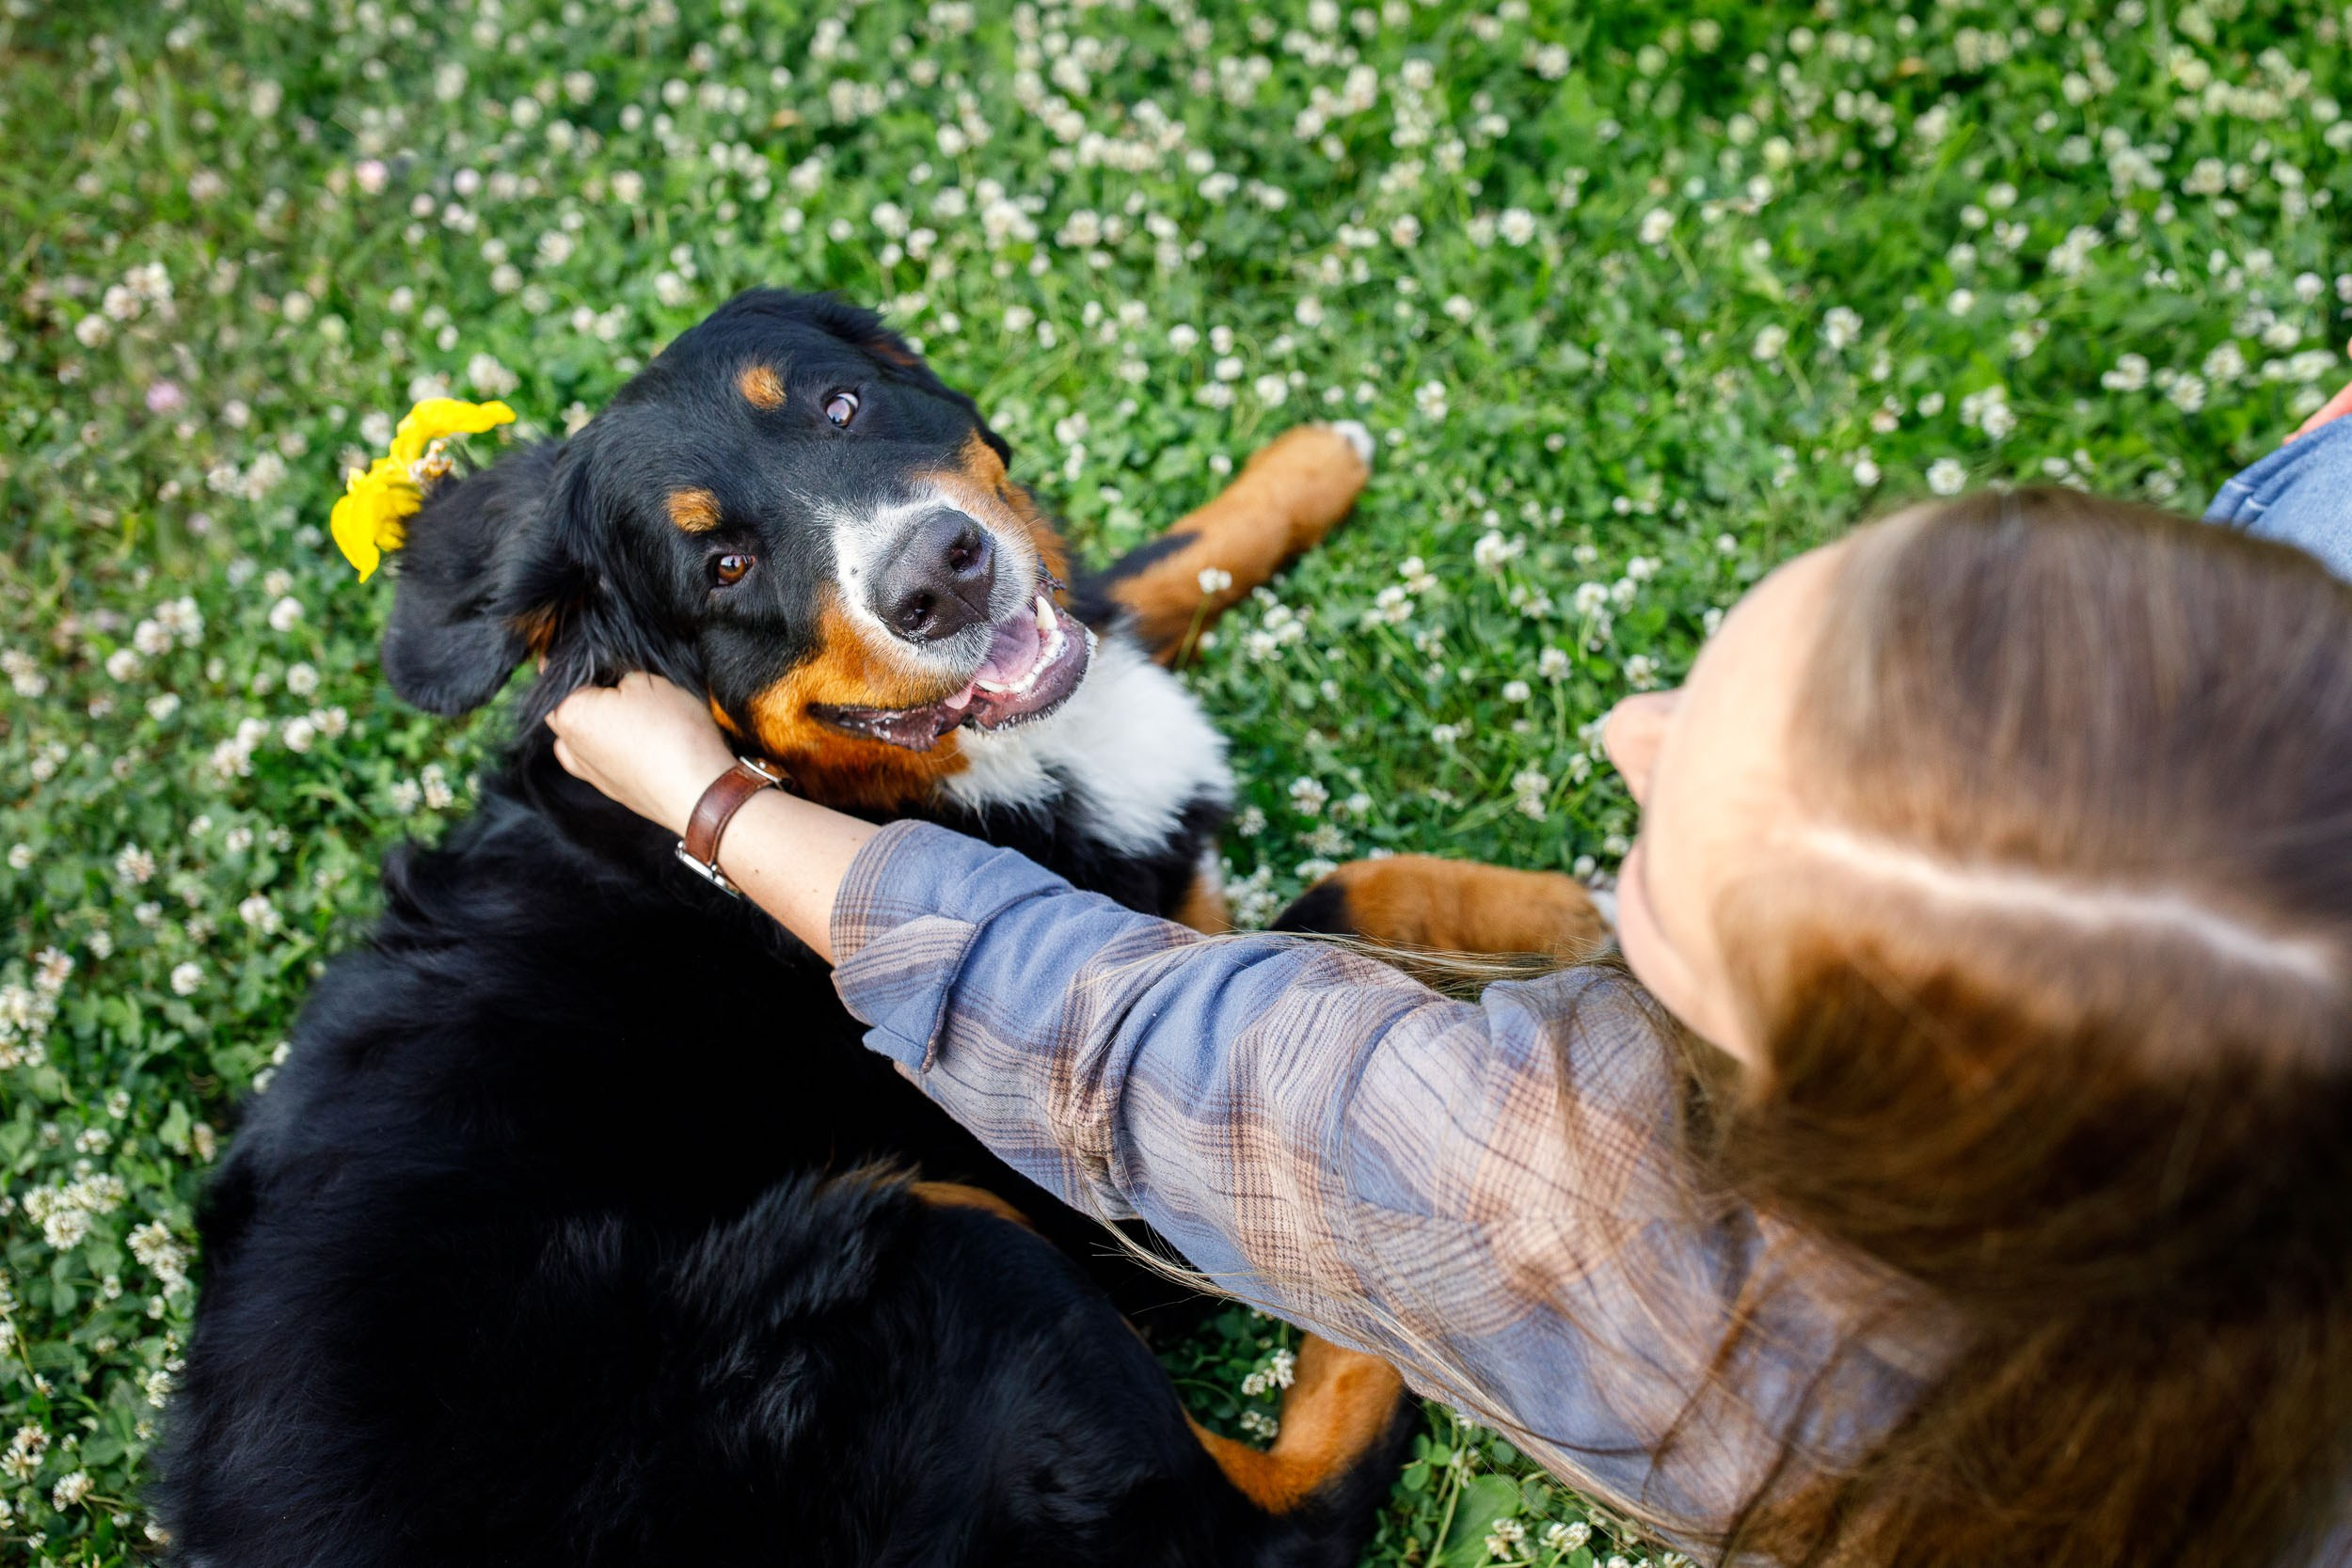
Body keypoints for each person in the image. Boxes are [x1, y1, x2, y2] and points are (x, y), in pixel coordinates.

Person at [546, 391, 2352, 1565]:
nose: (1626, 724)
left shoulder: (1609, 1237)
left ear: (1818, 1117)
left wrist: (703, 798)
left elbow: (1130, 1039)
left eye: (1660, 861)